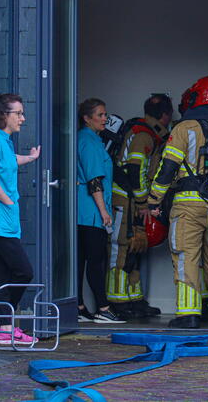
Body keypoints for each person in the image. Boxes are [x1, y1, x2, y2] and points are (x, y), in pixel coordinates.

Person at [148, 76, 208, 328]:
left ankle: (189, 314)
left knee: (186, 257)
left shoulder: (184, 128)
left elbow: (167, 169)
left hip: (187, 205)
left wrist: (153, 201)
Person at [0, 93, 40, 345]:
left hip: (5, 221)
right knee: (23, 272)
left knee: (4, 274)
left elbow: (9, 161)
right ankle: (5, 324)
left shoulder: (4, 141)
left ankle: (4, 329)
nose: (23, 118)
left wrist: (31, 158)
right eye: (19, 113)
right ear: (3, 115)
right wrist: (8, 202)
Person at [107, 94, 172, 318]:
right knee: (121, 247)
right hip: (125, 200)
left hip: (132, 199)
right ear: (164, 116)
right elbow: (135, 170)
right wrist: (144, 203)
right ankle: (117, 302)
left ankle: (134, 300)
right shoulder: (143, 135)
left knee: (136, 248)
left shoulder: (147, 133)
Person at [77, 98, 126, 324]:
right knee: (97, 260)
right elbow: (94, 180)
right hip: (91, 212)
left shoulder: (89, 139)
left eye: (105, 114)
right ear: (87, 118)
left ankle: (79, 306)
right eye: (100, 115)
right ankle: (103, 308)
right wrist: (104, 212)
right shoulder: (89, 142)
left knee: (82, 259)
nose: (105, 119)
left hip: (84, 211)